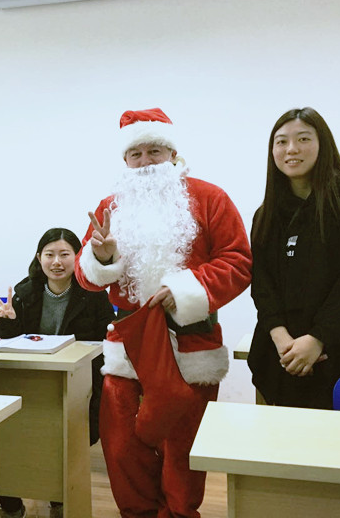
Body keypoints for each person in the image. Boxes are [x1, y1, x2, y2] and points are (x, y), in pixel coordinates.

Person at [75, 108, 252, 518]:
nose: (145, 162)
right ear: (125, 160)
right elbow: (86, 279)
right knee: (122, 449)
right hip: (128, 349)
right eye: (135, 154)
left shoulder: (210, 198)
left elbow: (238, 262)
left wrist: (185, 289)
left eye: (154, 151)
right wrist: (103, 258)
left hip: (192, 348)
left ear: (172, 154)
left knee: (183, 453)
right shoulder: (109, 207)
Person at [247, 107, 340, 409]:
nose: (291, 149)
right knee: (279, 436)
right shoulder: (266, 214)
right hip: (279, 354)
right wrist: (281, 337)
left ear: (324, 144)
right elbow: (262, 284)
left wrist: (317, 339)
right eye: (281, 141)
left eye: (303, 139)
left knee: (339, 436)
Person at [0, 227, 116, 518]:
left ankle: (60, 497)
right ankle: (12, 502)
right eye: (49, 255)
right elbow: (11, 342)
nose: (57, 262)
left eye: (64, 254)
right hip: (31, 380)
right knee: (14, 439)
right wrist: (8, 321)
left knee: (63, 444)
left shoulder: (93, 295)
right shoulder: (25, 293)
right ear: (39, 258)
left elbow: (107, 341)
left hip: (76, 383)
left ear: (78, 258)